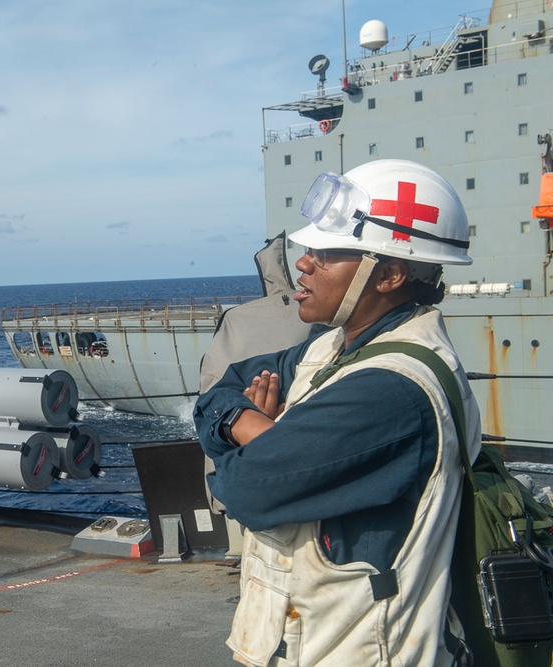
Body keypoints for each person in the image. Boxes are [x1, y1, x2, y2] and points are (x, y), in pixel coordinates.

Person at [195, 159, 482, 666]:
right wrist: (255, 427)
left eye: (326, 253)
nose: (304, 264)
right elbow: (219, 391)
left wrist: (257, 440)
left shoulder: (391, 388)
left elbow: (244, 491)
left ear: (390, 274)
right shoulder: (328, 350)